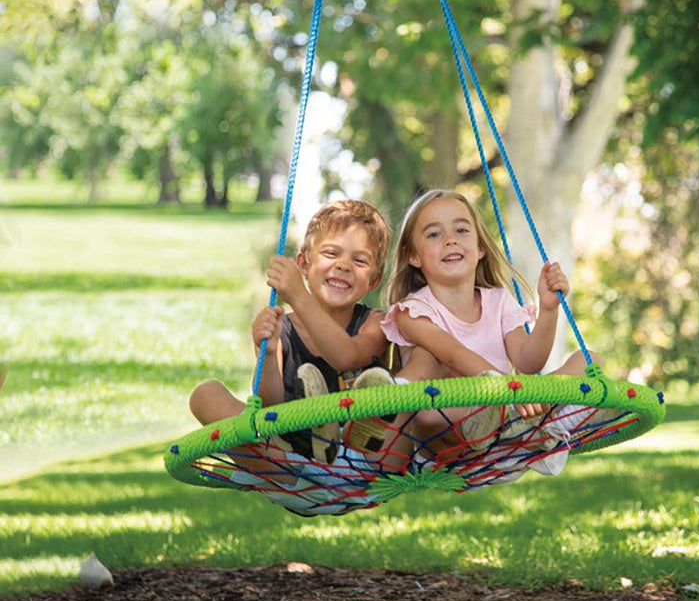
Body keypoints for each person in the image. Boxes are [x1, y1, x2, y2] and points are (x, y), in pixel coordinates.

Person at [378, 189, 604, 478]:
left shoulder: (499, 300)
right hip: (449, 436)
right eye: (434, 234)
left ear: (481, 248)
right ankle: (543, 430)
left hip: (507, 414)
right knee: (427, 403)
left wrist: (548, 310)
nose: (450, 239)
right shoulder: (412, 311)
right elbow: (454, 354)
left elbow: (528, 362)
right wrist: (508, 392)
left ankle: (532, 431)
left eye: (461, 230)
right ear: (413, 256)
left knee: (588, 361)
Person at [188, 199, 393, 464]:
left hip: (356, 458)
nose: (343, 265)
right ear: (304, 264)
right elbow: (270, 407)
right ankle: (296, 469)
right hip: (290, 455)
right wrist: (268, 353)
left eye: (359, 260)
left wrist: (297, 295)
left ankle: (327, 446)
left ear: (375, 279)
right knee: (205, 395)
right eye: (331, 253)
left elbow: (347, 357)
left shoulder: (375, 324)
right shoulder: (282, 328)